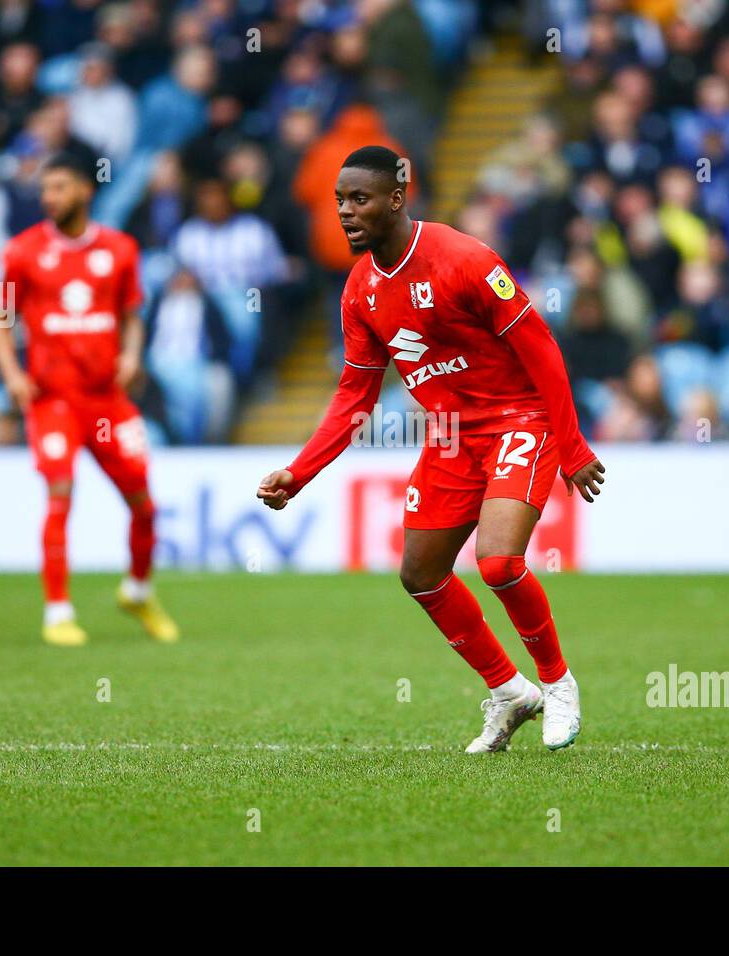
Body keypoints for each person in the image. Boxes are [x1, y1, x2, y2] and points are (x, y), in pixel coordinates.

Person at [256, 146, 605, 753]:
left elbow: (541, 347)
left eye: (358, 199)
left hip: (518, 420)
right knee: (420, 573)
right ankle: (508, 691)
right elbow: (354, 396)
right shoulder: (360, 291)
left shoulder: (463, 259)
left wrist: (571, 445)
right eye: (339, 201)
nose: (345, 212)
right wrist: (300, 471)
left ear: (396, 198)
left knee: (497, 562)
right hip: (448, 436)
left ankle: (556, 682)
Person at [0, 152, 178, 647]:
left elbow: (133, 313)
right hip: (52, 401)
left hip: (108, 401)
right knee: (59, 494)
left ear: (85, 191)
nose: (49, 198)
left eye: (59, 188)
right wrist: (12, 374)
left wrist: (133, 355)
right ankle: (57, 613)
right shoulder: (22, 252)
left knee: (144, 504)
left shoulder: (120, 249)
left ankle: (137, 590)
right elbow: (1, 320)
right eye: (44, 189)